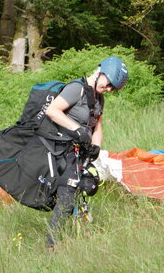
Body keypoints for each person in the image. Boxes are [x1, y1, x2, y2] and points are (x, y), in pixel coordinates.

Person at [44, 56, 128, 248]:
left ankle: (70, 235)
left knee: (83, 189)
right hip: (62, 150)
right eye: (108, 84)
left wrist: (96, 148)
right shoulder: (76, 89)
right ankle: (51, 246)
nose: (108, 89)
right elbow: (53, 110)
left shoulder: (99, 98)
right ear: (100, 72)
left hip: (80, 153)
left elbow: (97, 124)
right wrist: (78, 130)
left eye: (112, 88)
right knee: (67, 197)